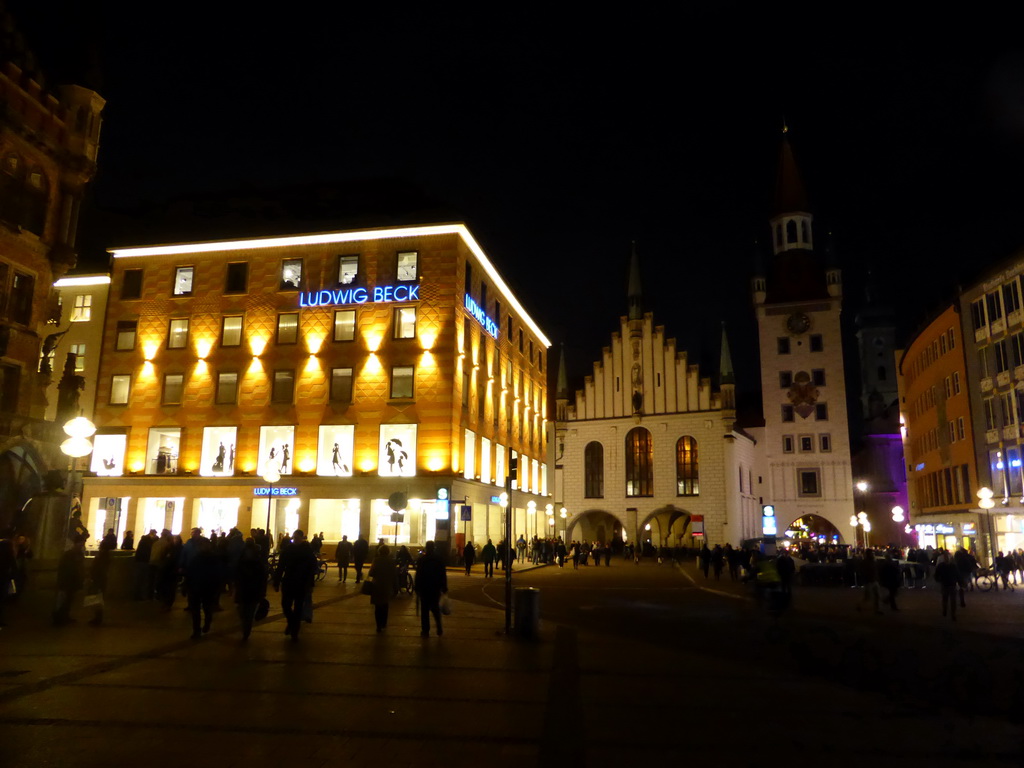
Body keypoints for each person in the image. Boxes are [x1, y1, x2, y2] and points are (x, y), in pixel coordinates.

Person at [274, 529, 318, 640]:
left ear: (301, 538)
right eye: (295, 537)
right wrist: (277, 580)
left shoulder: (307, 550)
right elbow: (281, 566)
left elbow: (312, 568)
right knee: (286, 605)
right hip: (289, 581)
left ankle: (294, 631)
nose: (296, 539)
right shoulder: (288, 550)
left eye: (298, 537)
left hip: (301, 583)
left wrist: (310, 583)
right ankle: (292, 622)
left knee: (298, 608)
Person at [185, 533, 221, 639]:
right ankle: (197, 630)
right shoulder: (196, 558)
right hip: (197, 588)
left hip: (207, 588)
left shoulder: (213, 559)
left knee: (207, 609)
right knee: (196, 611)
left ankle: (207, 623)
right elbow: (190, 572)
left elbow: (217, 574)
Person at [234, 539, 267, 641]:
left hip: (252, 592)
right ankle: (246, 628)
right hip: (244, 591)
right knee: (242, 612)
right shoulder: (242, 562)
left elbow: (262, 579)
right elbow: (237, 576)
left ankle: (246, 631)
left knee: (248, 613)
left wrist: (262, 593)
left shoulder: (257, 564)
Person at [415, 541, 448, 636]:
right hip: (435, 587)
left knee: (424, 610)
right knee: (435, 608)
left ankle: (425, 630)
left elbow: (418, 574)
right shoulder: (439, 559)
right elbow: (442, 574)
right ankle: (439, 627)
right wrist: (444, 586)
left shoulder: (422, 559)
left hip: (424, 588)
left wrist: (417, 587)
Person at [54, 535, 86, 626]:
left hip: (72, 581)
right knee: (63, 600)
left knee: (68, 600)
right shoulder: (70, 554)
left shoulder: (77, 554)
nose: (82, 545)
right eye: (81, 543)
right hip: (67, 581)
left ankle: (64, 616)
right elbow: (66, 568)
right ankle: (59, 618)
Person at [368, 544, 397, 632]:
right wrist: (396, 587)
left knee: (378, 607)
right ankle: (384, 623)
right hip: (387, 585)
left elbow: (371, 573)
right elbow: (394, 575)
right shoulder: (391, 561)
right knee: (385, 605)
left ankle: (378, 625)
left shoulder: (376, 560)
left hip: (377, 585)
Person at [935, 551, 959, 621]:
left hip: (948, 584)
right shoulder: (952, 566)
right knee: (949, 599)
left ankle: (949, 612)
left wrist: (938, 580)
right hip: (949, 584)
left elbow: (936, 575)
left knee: (948, 599)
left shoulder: (942, 566)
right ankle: (949, 612)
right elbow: (958, 575)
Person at [858, 549, 882, 614]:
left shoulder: (871, 561)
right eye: (872, 553)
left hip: (873, 580)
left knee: (876, 596)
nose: (873, 554)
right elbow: (863, 571)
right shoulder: (867, 562)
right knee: (868, 596)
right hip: (869, 581)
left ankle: (877, 610)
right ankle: (860, 605)